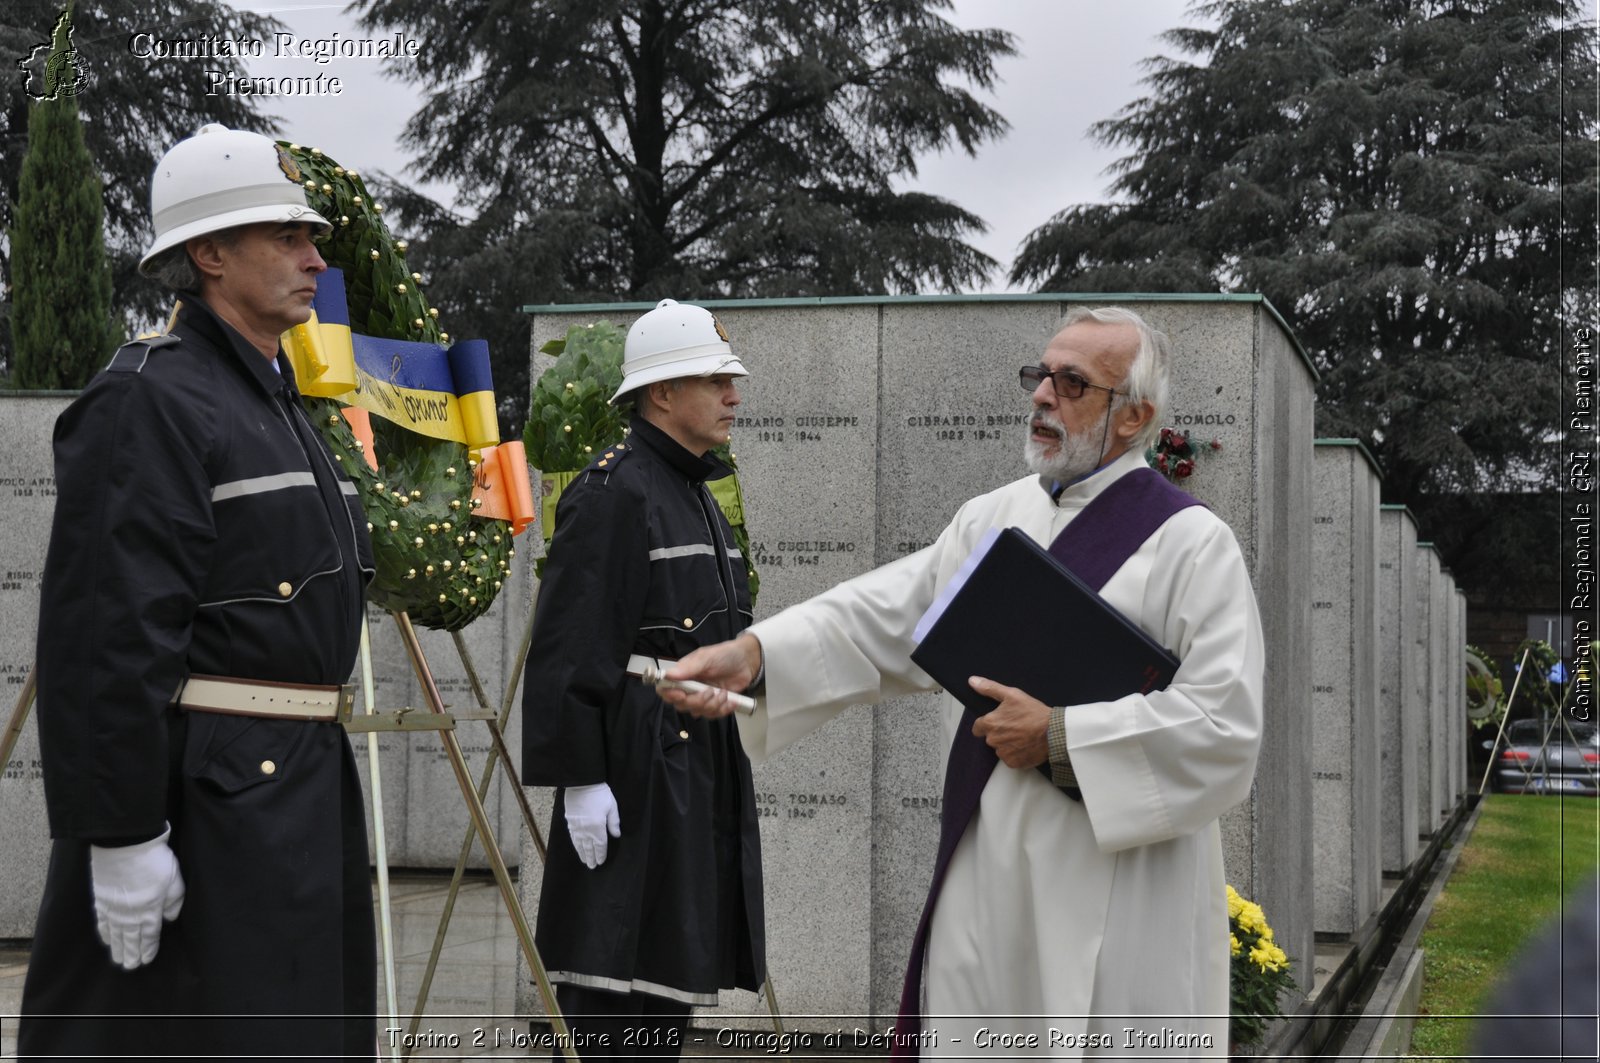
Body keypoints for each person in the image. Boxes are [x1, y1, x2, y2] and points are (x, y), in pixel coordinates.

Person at [663, 307, 1266, 1058]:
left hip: (1121, 888)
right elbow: (885, 615)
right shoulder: (993, 518)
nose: (1043, 395)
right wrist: (756, 653)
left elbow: (1225, 728)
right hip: (989, 875)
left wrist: (1059, 736)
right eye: (1040, 375)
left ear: (1133, 415)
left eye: (1073, 383)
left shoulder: (1192, 545)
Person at [19, 124, 376, 1060]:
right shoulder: (151, 399)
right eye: (286, 238)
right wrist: (121, 831)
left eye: (312, 236)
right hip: (210, 798)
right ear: (209, 255)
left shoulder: (275, 401)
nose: (313, 258)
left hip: (293, 783)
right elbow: (105, 632)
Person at [522, 299, 766, 1059]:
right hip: (635, 767)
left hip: (690, 759)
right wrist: (581, 778)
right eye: (715, 380)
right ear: (661, 394)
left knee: (664, 983)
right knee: (613, 986)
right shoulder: (614, 490)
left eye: (732, 381)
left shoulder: (695, 492)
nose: (733, 395)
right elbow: (568, 645)